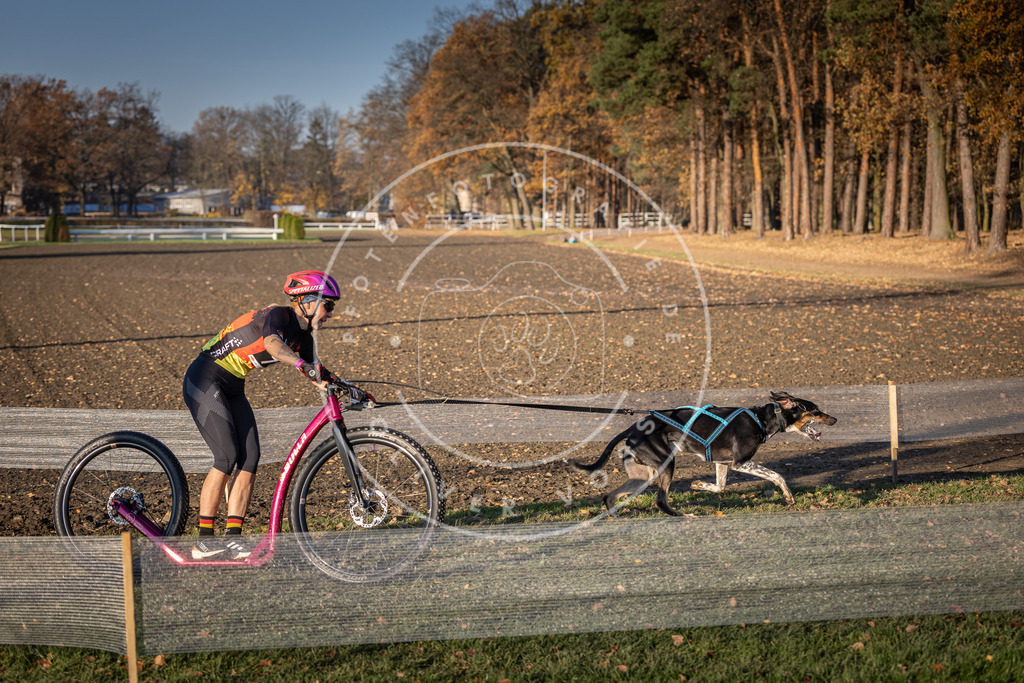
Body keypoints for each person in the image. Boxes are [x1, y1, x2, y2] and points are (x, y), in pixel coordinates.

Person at [182, 270, 370, 559]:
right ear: (307, 302)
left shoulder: (303, 335)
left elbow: (317, 371)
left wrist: (350, 389)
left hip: (232, 385)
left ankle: (233, 539)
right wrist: (300, 365)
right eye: (328, 305)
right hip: (206, 377)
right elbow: (272, 344)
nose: (331, 313)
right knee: (227, 456)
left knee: (251, 457)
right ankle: (203, 540)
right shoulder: (278, 316)